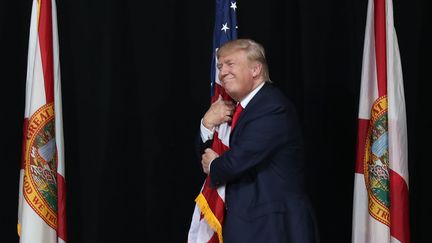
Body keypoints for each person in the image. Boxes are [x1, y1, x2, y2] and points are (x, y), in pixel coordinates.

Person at [198, 39, 320, 243]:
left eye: (230, 64)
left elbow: (236, 161)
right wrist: (207, 123)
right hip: (248, 227)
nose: (222, 72)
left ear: (255, 69)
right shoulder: (235, 110)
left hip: (274, 229)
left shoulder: (272, 107)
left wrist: (213, 164)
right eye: (220, 66)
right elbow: (206, 160)